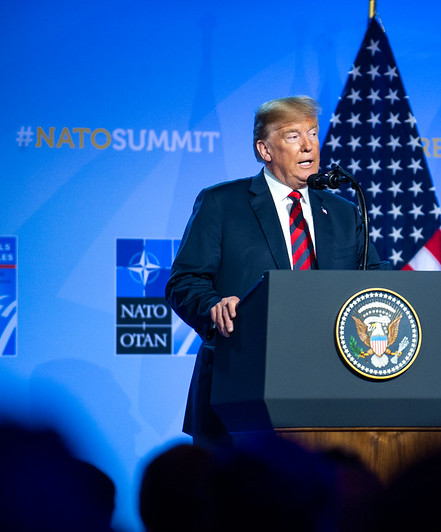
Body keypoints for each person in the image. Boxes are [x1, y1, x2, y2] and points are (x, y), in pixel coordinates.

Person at [166, 96, 387, 448]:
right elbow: (184, 281)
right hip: (241, 387)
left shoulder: (344, 212)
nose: (309, 145)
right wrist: (213, 306)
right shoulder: (221, 204)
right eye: (293, 135)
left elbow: (373, 280)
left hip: (333, 387)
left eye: (313, 133)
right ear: (265, 149)